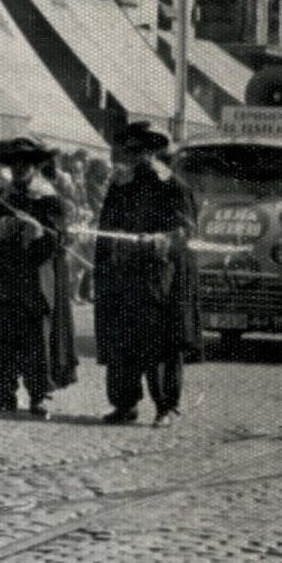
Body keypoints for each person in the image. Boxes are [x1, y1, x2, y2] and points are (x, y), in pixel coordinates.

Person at [92, 121, 197, 429]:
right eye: (130, 151)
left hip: (158, 277)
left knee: (159, 341)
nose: (135, 157)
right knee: (122, 340)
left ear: (153, 152)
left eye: (141, 151)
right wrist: (110, 245)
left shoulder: (172, 185)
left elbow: (186, 230)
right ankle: (124, 404)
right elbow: (107, 226)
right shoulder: (120, 185)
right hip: (123, 275)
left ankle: (166, 406)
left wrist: (161, 239)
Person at [0, 137, 73, 420]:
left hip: (34, 277)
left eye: (25, 163)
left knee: (35, 338)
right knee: (0, 336)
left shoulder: (48, 198)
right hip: (3, 277)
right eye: (14, 163)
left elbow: (61, 240)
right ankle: (3, 392)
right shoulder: (1, 196)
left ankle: (38, 394)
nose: (19, 168)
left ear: (34, 166)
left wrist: (41, 233)